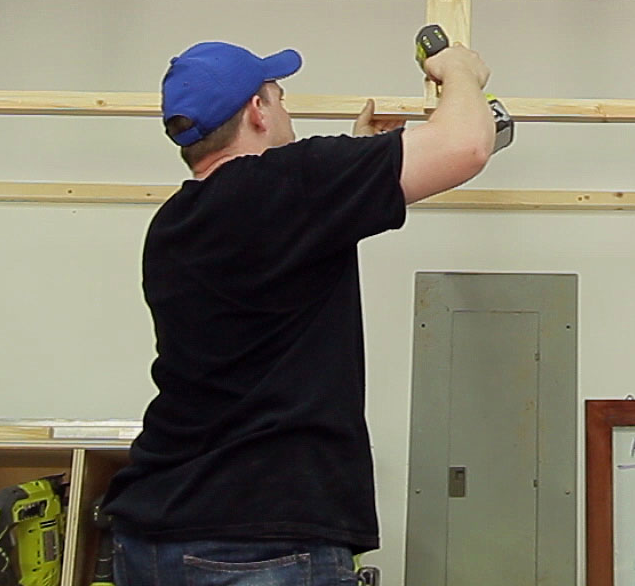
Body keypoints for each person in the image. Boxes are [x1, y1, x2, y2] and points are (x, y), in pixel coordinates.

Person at [102, 37, 496, 586]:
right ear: (257, 111)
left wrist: (358, 166)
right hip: (257, 543)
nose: (286, 110)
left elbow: (284, 230)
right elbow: (466, 145)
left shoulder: (174, 225)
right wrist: (459, 73)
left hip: (152, 534)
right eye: (280, 96)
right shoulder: (290, 184)